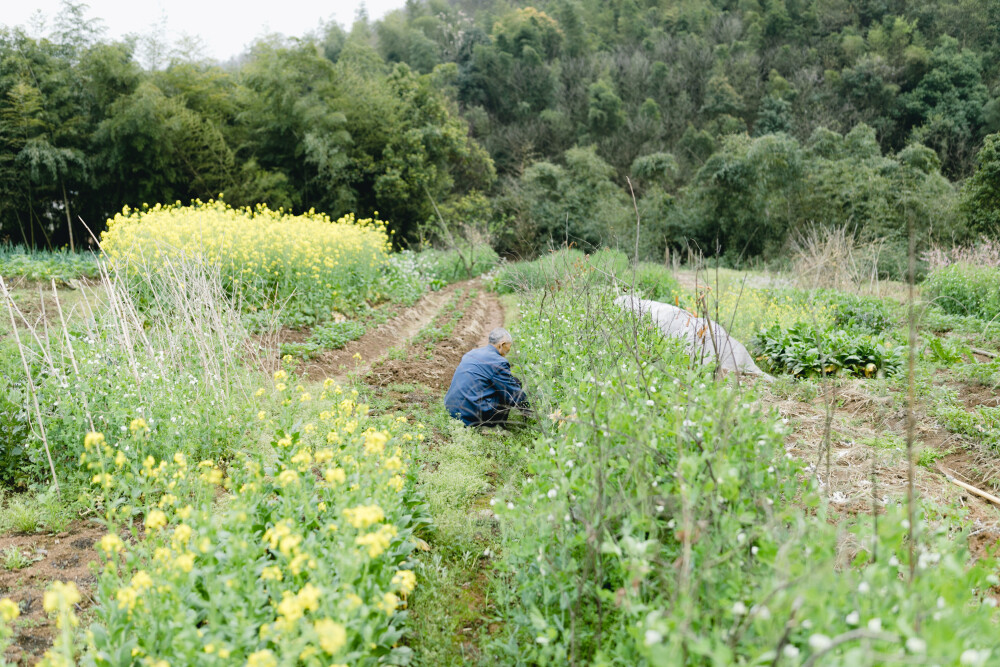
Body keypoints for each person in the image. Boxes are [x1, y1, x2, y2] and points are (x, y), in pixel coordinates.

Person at [444, 327, 528, 427]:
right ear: (502, 345)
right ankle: (494, 427)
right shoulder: (499, 362)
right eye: (509, 347)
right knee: (513, 384)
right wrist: (527, 408)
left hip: (451, 408)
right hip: (471, 414)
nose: (509, 351)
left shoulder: (471, 353)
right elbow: (513, 392)